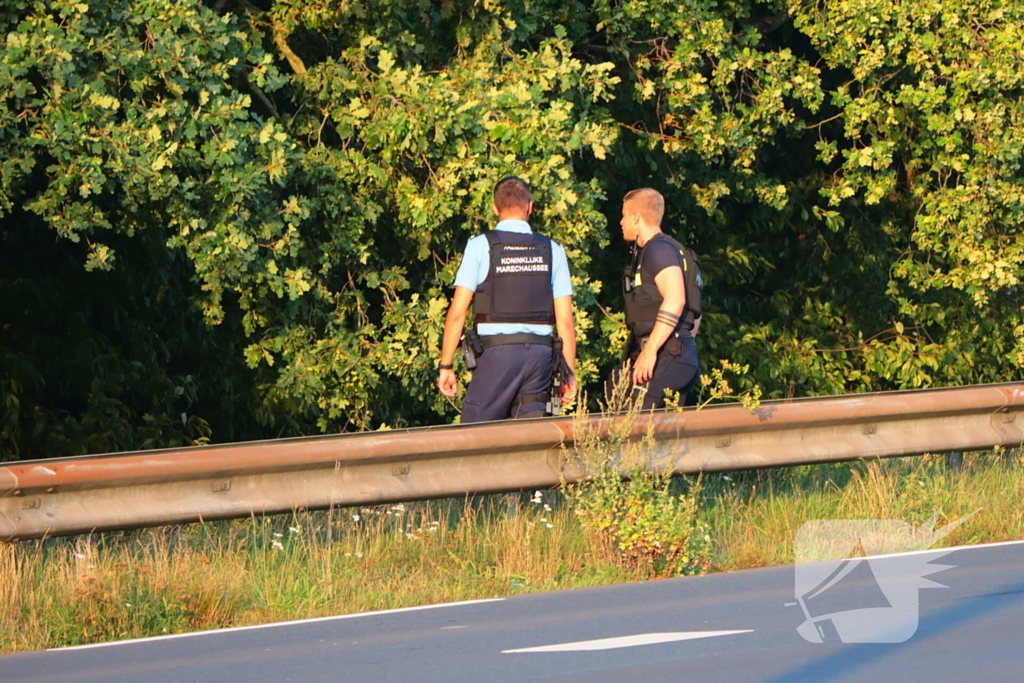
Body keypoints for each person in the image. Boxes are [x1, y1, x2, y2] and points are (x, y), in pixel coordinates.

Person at [437, 177, 577, 422]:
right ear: (530, 207)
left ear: (495, 208)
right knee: (531, 435)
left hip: (497, 355)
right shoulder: (552, 249)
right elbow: (565, 321)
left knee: (475, 434)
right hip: (540, 358)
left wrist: (446, 366)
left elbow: (457, 313)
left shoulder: (480, 246)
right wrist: (569, 374)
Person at [612, 188, 701, 409]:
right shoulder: (678, 251)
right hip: (680, 353)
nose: (621, 222)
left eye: (624, 215)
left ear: (636, 217)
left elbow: (676, 299)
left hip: (667, 355)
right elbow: (694, 312)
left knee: (634, 420)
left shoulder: (658, 249)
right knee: (660, 427)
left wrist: (650, 351)